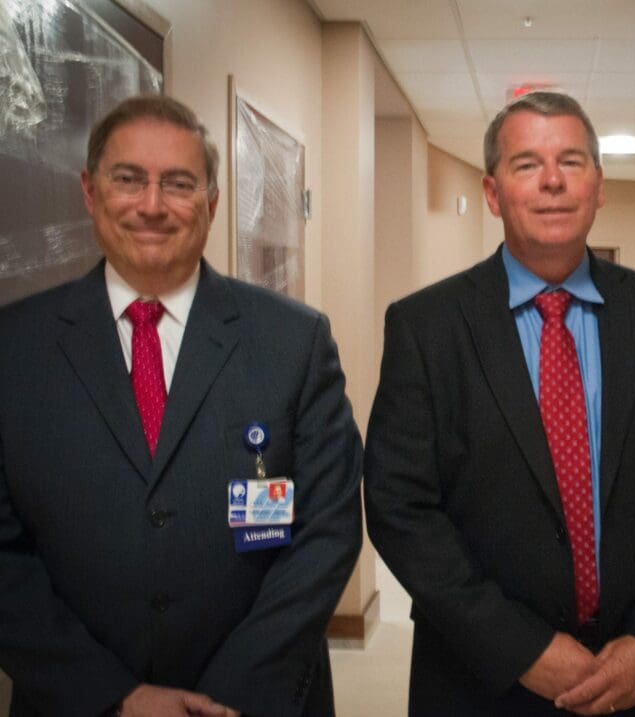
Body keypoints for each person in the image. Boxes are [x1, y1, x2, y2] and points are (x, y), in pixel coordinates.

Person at [363, 91, 635, 715]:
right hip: (485, 681)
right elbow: (400, 508)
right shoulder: (426, 328)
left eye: (571, 162)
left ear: (598, 187)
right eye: (526, 165)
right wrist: (519, 648)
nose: (551, 181)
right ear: (493, 193)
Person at [0, 95, 363, 716]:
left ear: (212, 203)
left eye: (178, 183)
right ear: (90, 192)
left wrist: (228, 695)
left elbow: (326, 532)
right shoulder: (15, 348)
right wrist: (113, 697)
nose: (151, 205)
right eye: (128, 179)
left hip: (257, 699)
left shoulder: (293, 341)